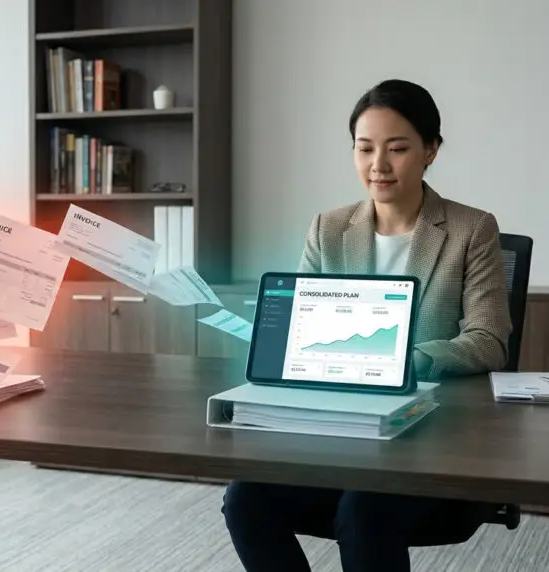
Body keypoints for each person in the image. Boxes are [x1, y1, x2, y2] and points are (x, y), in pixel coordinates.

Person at [220, 79, 514, 572]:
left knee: (364, 509)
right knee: (244, 498)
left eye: (397, 149)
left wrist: (406, 360)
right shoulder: (328, 228)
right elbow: (298, 331)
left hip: (424, 433)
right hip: (335, 429)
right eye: (364, 149)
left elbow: (488, 340)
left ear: (430, 151)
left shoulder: (471, 228)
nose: (378, 165)